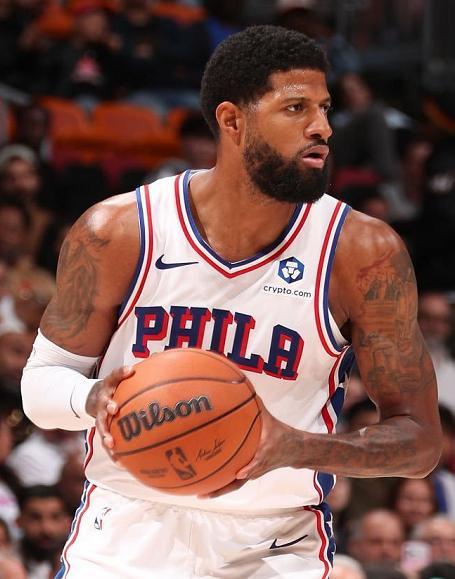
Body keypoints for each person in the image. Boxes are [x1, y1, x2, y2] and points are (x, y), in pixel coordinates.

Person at [21, 25, 442, 578]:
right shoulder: (120, 231)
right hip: (127, 530)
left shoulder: (362, 253)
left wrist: (298, 447)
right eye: (296, 108)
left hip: (273, 541)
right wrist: (93, 397)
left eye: (324, 108)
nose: (322, 127)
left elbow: (420, 444)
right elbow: (40, 387)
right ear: (232, 120)